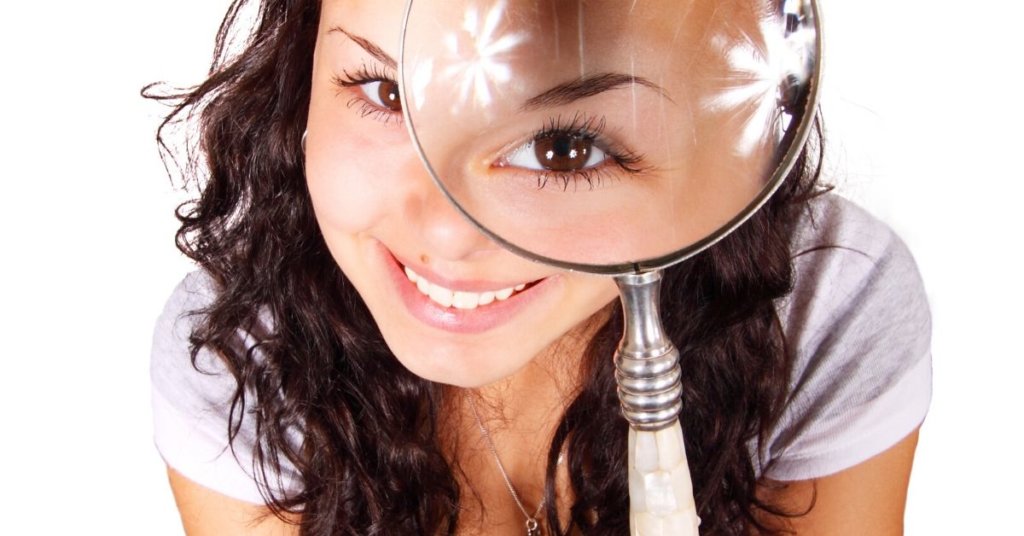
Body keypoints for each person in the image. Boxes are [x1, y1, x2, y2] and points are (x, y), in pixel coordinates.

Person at [149, 0, 931, 534]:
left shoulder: (827, 301)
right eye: (385, 93)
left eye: (563, 148)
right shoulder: (240, 348)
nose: (445, 231)